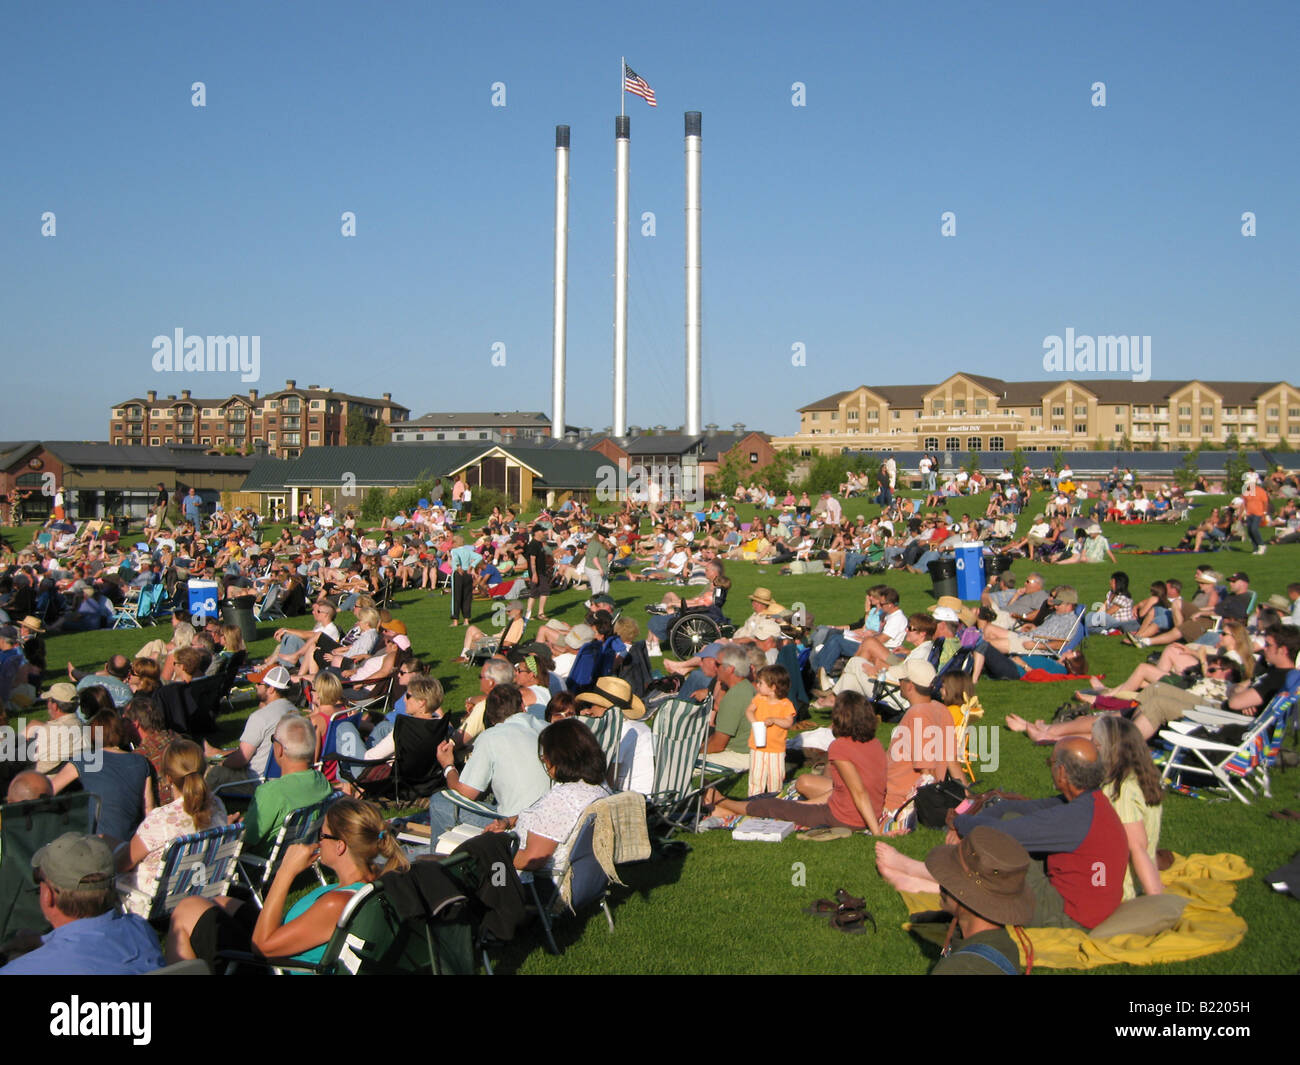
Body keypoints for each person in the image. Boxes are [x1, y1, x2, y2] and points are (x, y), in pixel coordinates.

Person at [878, 738, 1128, 930]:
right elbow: (1012, 808)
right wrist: (968, 823)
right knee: (1005, 824)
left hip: (1067, 913)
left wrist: (962, 824)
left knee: (999, 844)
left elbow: (1003, 832)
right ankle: (932, 879)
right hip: (1079, 902)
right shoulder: (1088, 803)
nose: (1050, 769)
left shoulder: (1075, 817)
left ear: (1062, 772)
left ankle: (928, 882)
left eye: (1050, 763)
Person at [166, 797, 409, 968]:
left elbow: (261, 947)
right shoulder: (376, 878)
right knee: (220, 902)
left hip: (277, 964)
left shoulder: (337, 904)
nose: (318, 840)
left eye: (322, 835)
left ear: (340, 845)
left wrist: (285, 873)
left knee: (187, 910)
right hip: (290, 939)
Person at [702, 691, 885, 833]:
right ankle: (724, 810)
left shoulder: (840, 747)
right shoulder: (874, 743)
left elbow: (858, 792)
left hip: (845, 818)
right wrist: (803, 806)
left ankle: (722, 801)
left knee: (774, 806)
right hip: (863, 813)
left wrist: (876, 832)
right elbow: (845, 790)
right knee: (789, 807)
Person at [0, 833, 165, 974]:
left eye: (38, 878)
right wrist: (43, 940)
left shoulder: (21, 970)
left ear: (48, 895)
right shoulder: (141, 930)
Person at [116, 739, 228, 916]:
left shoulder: (160, 820)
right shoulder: (217, 806)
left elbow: (123, 864)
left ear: (168, 778)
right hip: (201, 888)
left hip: (156, 900)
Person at [486, 718, 611, 872]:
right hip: (584, 874)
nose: (545, 760)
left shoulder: (562, 800)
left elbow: (530, 860)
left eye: (545, 756)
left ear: (559, 757)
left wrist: (495, 845)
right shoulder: (598, 787)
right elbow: (551, 820)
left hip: (516, 880)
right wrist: (509, 821)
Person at [429, 683, 550, 838]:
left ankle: (440, 858)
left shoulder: (490, 737)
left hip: (516, 824)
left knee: (440, 801)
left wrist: (448, 766)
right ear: (522, 706)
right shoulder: (546, 728)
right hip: (548, 817)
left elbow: (465, 795)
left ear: (491, 718)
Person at [927, 826, 1037, 975]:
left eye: (951, 880)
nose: (942, 885)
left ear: (970, 896)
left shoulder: (959, 969)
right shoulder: (1005, 945)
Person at [49, 711, 152, 847]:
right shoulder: (141, 762)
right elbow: (149, 807)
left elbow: (49, 790)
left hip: (99, 846)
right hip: (132, 845)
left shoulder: (85, 760)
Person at [240, 715, 333, 857]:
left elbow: (245, 839)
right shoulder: (321, 780)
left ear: (280, 749)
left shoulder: (270, 792)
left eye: (273, 740)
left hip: (265, 861)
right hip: (302, 854)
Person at [1091, 715, 1163, 900]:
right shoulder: (1141, 778)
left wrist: (1157, 902)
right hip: (1131, 883)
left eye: (1095, 743)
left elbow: (1137, 847)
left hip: (1114, 887)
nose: (1090, 745)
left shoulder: (1119, 790)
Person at [204, 664, 296, 789]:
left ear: (271, 689)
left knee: (210, 773)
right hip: (286, 776)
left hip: (257, 780)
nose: (255, 686)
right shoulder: (295, 712)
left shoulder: (260, 717)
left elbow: (240, 760)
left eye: (259, 684)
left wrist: (221, 763)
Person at [745, 664, 796, 797]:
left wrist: (774, 720)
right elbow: (749, 711)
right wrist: (755, 722)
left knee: (776, 778)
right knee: (756, 777)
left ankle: (775, 800)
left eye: (761, 683)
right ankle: (754, 801)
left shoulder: (786, 704)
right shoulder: (759, 699)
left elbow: (788, 722)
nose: (757, 685)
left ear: (773, 687)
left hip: (776, 749)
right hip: (757, 746)